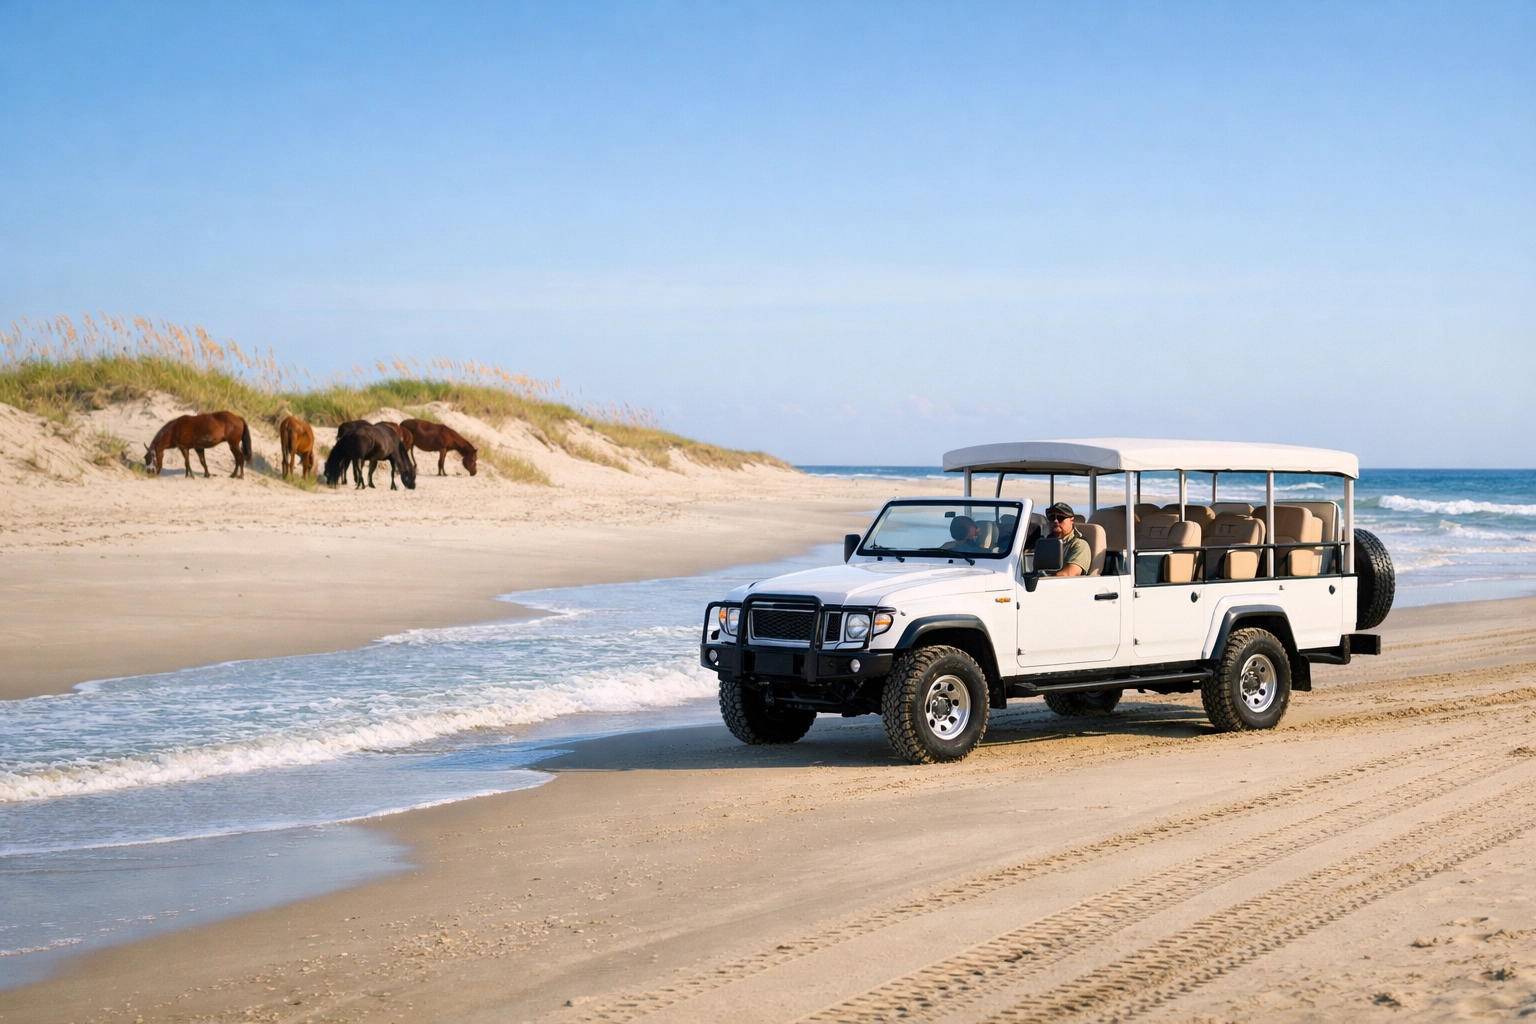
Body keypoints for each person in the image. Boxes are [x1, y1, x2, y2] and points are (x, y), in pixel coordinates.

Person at [1042, 502, 1091, 577]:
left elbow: (1070, 573)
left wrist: (1041, 579)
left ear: (1071, 520)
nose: (1055, 521)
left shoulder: (1079, 544)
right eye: (1052, 517)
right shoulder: (1044, 543)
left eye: (1060, 518)